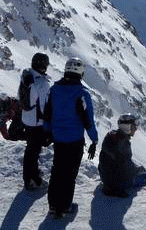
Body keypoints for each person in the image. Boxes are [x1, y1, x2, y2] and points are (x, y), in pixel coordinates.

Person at [44, 57, 99, 218]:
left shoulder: (54, 89)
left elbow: (47, 113)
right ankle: (65, 206)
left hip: (58, 139)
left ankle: (53, 205)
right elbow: (88, 120)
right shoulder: (81, 93)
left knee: (57, 171)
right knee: (70, 174)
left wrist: (47, 132)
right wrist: (94, 140)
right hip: (74, 140)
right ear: (81, 73)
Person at [98, 113, 146, 197]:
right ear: (127, 127)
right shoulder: (122, 143)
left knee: (145, 171)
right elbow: (127, 169)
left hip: (107, 179)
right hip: (119, 183)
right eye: (134, 126)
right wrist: (138, 169)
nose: (136, 128)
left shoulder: (111, 137)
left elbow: (121, 162)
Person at [19, 52, 51, 190]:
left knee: (31, 149)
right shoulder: (41, 83)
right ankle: (32, 180)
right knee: (33, 151)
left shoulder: (27, 75)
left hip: (27, 118)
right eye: (44, 66)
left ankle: (33, 173)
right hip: (37, 122)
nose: (45, 68)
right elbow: (45, 105)